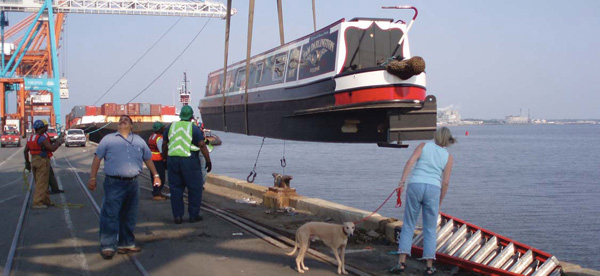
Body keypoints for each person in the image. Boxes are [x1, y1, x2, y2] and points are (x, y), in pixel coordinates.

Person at [87, 115, 162, 260]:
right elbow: (97, 158)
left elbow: (148, 158)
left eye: (126, 119)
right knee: (110, 215)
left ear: (131, 126)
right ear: (118, 125)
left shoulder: (139, 141)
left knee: (130, 215)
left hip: (133, 183)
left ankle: (125, 243)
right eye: (121, 119)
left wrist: (156, 175)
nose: (123, 120)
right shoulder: (108, 139)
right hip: (114, 183)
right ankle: (108, 246)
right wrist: (92, 178)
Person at [390, 127, 456, 275]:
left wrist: (402, 182)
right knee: (430, 229)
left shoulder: (423, 146)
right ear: (448, 140)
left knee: (408, 224)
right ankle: (429, 266)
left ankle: (401, 262)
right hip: (433, 189)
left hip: (415, 185)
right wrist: (440, 200)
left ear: (436, 136)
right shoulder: (448, 157)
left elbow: (410, 162)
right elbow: (445, 182)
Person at [162, 105, 212, 224]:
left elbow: (164, 144)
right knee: (195, 188)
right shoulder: (194, 128)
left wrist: (165, 159)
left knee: (175, 189)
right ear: (191, 116)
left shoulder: (170, 127)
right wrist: (208, 161)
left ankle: (177, 216)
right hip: (189, 161)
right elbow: (202, 145)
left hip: (173, 160)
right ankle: (193, 215)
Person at [24, 120, 62, 208]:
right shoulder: (41, 139)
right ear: (42, 128)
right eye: (46, 127)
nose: (47, 128)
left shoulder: (30, 138)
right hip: (42, 161)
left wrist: (27, 163)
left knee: (41, 181)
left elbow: (25, 151)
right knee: (42, 183)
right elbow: (52, 148)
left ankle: (46, 200)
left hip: (34, 160)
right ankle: (37, 203)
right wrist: (58, 142)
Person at [148, 121, 167, 201]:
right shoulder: (159, 138)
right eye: (162, 128)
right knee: (160, 177)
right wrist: (165, 158)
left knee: (154, 176)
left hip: (151, 159)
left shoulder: (151, 136)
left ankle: (156, 191)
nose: (164, 129)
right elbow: (161, 149)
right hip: (158, 160)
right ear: (160, 129)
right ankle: (157, 193)